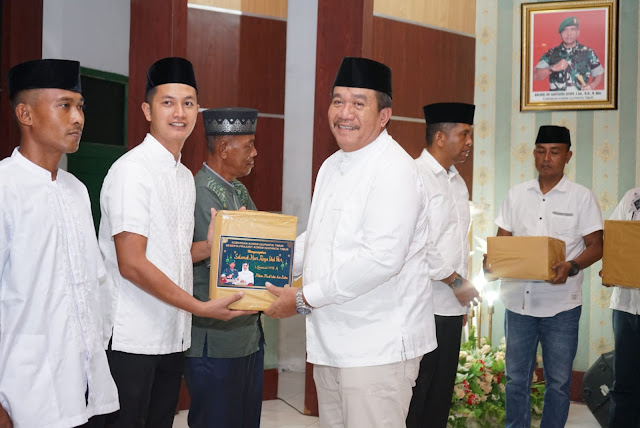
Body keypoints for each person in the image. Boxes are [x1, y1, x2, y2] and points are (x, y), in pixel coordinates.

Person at [265, 57, 435, 427]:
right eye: (338, 101)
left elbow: (381, 259)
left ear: (384, 115)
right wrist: (264, 257)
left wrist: (302, 298)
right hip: (333, 343)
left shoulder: (395, 170)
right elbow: (321, 236)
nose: (345, 113)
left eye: (359, 103)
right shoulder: (332, 165)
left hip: (378, 349)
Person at [98, 58, 253, 428]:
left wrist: (209, 245)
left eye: (188, 103)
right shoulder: (131, 171)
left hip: (171, 336)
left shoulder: (183, 176)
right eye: (168, 102)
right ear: (147, 110)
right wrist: (200, 308)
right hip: (132, 340)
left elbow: (171, 254)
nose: (179, 112)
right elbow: (132, 263)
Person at [0, 59, 119, 428]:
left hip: (86, 389)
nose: (78, 118)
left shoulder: (76, 191)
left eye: (80, 106)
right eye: (64, 105)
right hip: (25, 396)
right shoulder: (5, 187)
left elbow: (94, 286)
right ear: (25, 113)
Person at [491, 125, 603, 428]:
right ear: (534, 154)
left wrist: (572, 266)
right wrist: (493, 263)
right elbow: (502, 244)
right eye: (541, 151)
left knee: (558, 382)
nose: (546, 158)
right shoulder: (516, 195)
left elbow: (597, 245)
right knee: (515, 380)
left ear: (567, 156)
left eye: (554, 152)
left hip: (561, 306)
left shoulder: (581, 198)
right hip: (518, 304)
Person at [184, 107, 263, 428]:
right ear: (224, 148)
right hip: (215, 340)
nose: (255, 152)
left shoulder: (237, 189)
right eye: (248, 145)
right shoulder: (201, 191)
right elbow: (226, 261)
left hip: (246, 335)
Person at [407, 102, 481, 428]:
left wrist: (462, 284)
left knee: (441, 394)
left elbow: (456, 242)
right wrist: (454, 280)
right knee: (417, 391)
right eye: (463, 134)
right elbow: (417, 241)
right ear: (440, 137)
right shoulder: (414, 176)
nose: (469, 142)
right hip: (421, 304)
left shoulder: (457, 182)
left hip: (451, 307)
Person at [600, 187, 640, 426]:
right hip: (626, 306)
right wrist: (610, 269)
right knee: (624, 380)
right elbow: (613, 240)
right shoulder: (633, 197)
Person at [533, 16, 604, 91]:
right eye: (565, 30)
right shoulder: (551, 53)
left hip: (580, 100)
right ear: (560, 34)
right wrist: (553, 68)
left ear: (578, 33)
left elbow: (599, 74)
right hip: (555, 100)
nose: (569, 33)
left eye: (572, 29)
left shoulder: (588, 52)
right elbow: (536, 76)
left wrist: (592, 86)